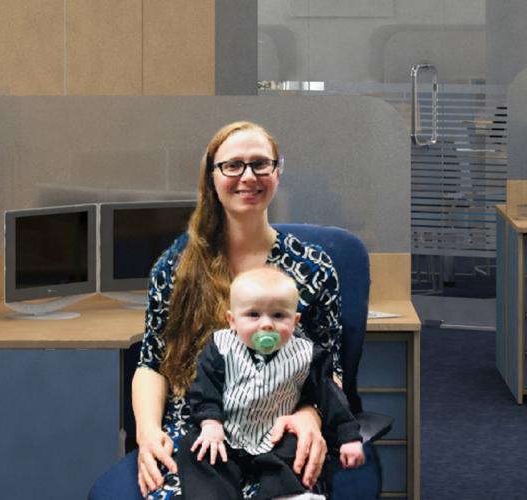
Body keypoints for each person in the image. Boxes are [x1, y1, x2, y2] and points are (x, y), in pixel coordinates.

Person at [89, 121, 348, 500]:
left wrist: (311, 415)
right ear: (212, 177)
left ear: (277, 172)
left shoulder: (314, 266)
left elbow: (330, 368)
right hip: (199, 431)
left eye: (260, 164)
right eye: (232, 165)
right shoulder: (177, 266)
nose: (248, 176)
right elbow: (152, 364)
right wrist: (146, 433)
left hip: (282, 432)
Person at [175, 267, 364, 500]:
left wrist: (349, 436)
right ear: (232, 320)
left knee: (298, 448)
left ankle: (289, 493)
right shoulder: (220, 347)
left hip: (276, 435)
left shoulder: (307, 355)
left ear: (294, 321)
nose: (266, 325)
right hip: (227, 433)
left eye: (278, 316)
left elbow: (330, 397)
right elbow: (204, 390)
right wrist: (211, 423)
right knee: (194, 448)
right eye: (253, 315)